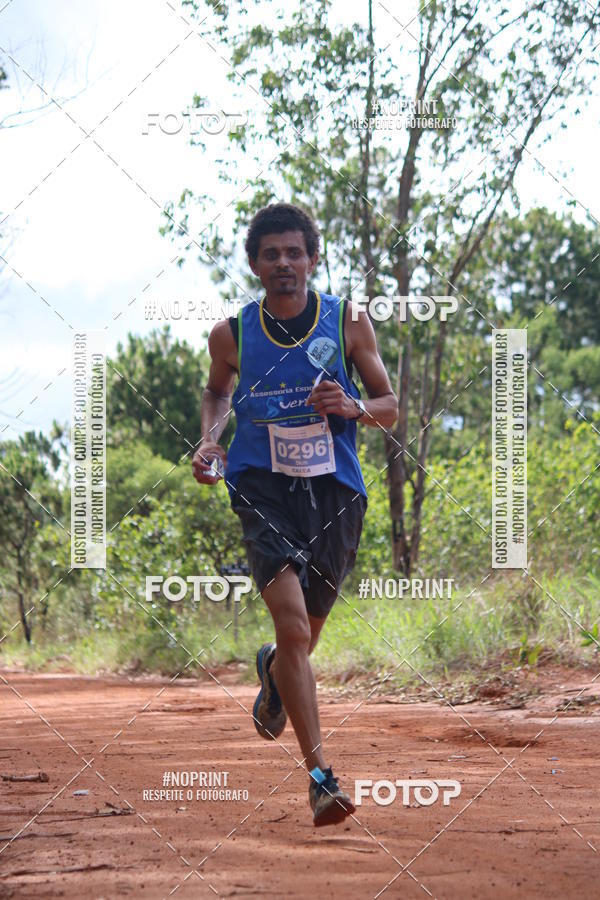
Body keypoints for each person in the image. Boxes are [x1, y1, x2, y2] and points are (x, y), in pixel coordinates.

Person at [192, 202, 397, 826]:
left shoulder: (348, 321)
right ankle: (320, 778)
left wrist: (352, 407)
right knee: (294, 629)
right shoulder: (231, 334)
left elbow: (390, 406)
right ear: (255, 265)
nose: (284, 263)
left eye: (295, 252)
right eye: (271, 254)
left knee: (302, 637)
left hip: (335, 489)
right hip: (261, 484)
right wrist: (210, 439)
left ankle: (275, 674)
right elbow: (217, 392)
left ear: (313, 257)